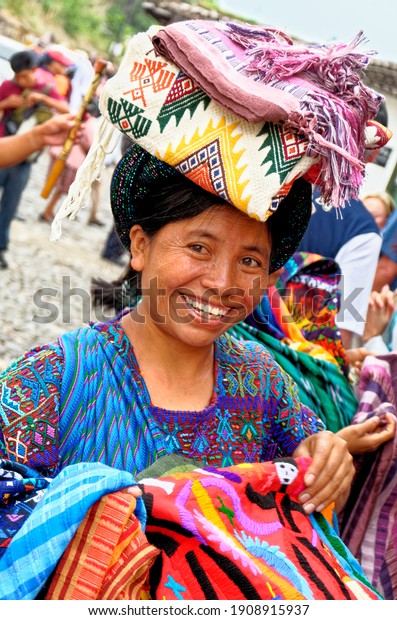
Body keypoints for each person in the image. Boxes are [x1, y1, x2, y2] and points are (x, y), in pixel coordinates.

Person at [0, 21, 391, 600]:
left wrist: (327, 455)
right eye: (199, 247)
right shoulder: (55, 376)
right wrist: (112, 518)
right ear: (138, 245)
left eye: (252, 261)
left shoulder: (263, 383)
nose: (222, 283)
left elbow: (310, 466)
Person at [0, 49, 69, 269]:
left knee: (10, 206)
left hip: (24, 160)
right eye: (17, 76)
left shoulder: (46, 88)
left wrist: (42, 98)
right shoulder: (8, 88)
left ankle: (1, 247)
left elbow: (66, 109)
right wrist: (4, 104)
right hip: (4, 147)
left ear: (34, 71)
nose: (21, 81)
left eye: (25, 76)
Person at [297, 188, 382, 349]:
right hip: (291, 350)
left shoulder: (282, 183)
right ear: (372, 160)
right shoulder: (362, 228)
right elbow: (341, 329)